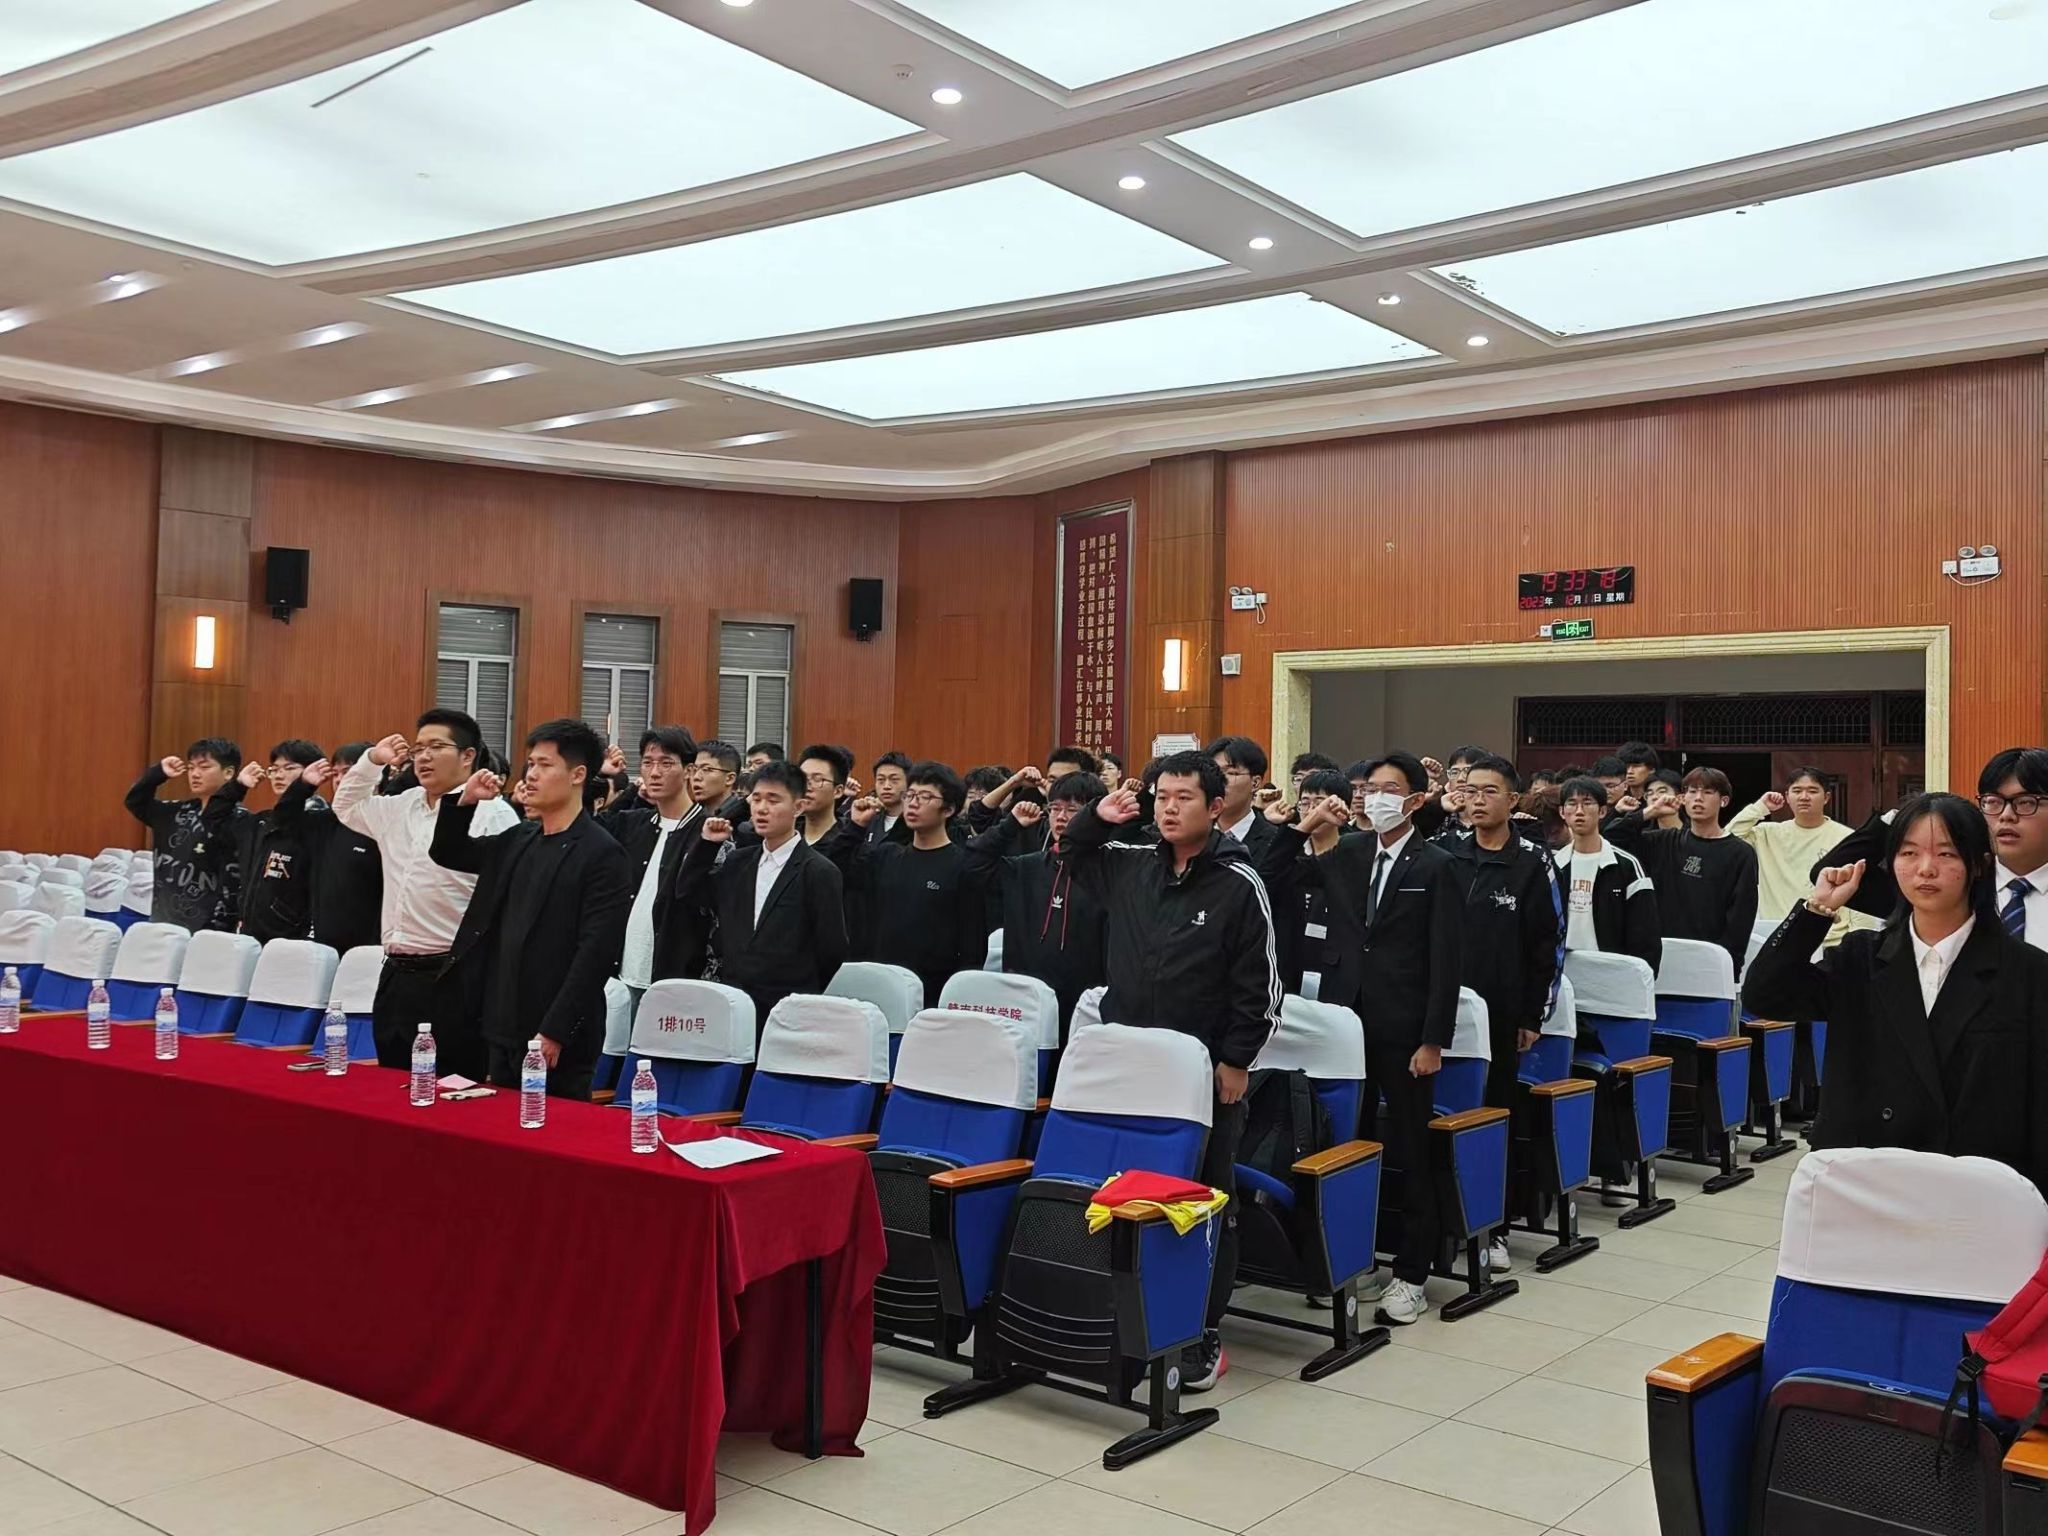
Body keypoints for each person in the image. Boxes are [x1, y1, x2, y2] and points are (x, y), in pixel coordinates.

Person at [1059, 752, 1281, 1391]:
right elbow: (1073, 855)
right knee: (1127, 1187)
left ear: (1215, 807)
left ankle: (1200, 1327)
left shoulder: (1239, 882)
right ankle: (1119, 1312)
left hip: (1204, 1073)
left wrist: (1236, 1060)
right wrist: (1098, 815)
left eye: (1184, 797)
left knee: (1202, 1198)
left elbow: (1262, 986)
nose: (1169, 808)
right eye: (1161, 797)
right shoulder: (1132, 864)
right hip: (1131, 1066)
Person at [1744, 793, 2048, 1194]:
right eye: (1908, 853)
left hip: (1975, 1188)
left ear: (1979, 865)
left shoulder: (2027, 972)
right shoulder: (1859, 958)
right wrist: (1817, 908)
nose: (1925, 869)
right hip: (1867, 1181)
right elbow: (1764, 994)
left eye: (1946, 854)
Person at [1265, 753, 1462, 1325]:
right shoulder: (1349, 851)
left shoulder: (1438, 865)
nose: (1374, 797)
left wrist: (1434, 1040)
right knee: (1347, 1143)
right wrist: (1304, 826)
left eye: (1389, 789)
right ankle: (1356, 1258)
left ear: (1416, 800)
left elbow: (1447, 960)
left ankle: (1413, 1273)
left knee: (1410, 1147)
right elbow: (1273, 876)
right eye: (1370, 787)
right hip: (1343, 1026)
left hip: (1405, 1030)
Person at [430, 720, 631, 1101]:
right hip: (499, 1020)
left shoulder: (602, 853)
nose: (532, 775)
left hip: (556, 1034)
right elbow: (449, 852)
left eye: (545, 765)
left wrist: (556, 1030)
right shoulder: (519, 839)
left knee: (550, 1129)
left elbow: (596, 953)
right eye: (531, 764)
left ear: (577, 775)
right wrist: (465, 801)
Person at [332, 709, 518, 1077]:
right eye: (418, 749)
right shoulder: (401, 806)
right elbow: (345, 805)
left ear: (468, 756)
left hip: (454, 977)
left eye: (436, 747)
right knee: (391, 1083)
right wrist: (373, 760)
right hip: (396, 974)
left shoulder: (494, 814)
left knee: (451, 1087)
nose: (424, 757)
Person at [1440, 754, 1563, 1275]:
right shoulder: (1445, 852)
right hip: (1440, 1011)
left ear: (1513, 801)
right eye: (1470, 791)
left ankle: (1496, 1227)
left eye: (1489, 792)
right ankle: (1443, 1222)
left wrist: (1533, 1016)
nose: (1477, 800)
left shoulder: (1533, 862)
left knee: (1495, 1119)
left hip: (1502, 1016)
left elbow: (1549, 945)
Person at [1817, 750, 2048, 957]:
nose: (2006, 815)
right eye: (1993, 802)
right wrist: (1901, 818)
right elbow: (1834, 871)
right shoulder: (1946, 889)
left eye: (2026, 803)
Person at [672, 760, 848, 1029]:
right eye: (756, 799)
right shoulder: (738, 862)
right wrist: (706, 846)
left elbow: (832, 949)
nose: (762, 808)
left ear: (798, 807)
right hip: (734, 1001)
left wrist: (801, 989)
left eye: (774, 800)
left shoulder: (819, 871)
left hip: (789, 1007)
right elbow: (688, 892)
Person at [963, 771, 1110, 1033]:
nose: (1061, 817)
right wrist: (1010, 825)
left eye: (1072, 810)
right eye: (1054, 808)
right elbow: (973, 864)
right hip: (1026, 1002)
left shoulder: (1114, 870)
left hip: (1086, 1006)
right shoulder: (1026, 867)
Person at [836, 761, 987, 1004]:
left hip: (933, 992)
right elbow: (836, 870)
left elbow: (973, 946)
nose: (913, 803)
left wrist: (957, 998)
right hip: (879, 985)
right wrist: (856, 826)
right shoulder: (886, 855)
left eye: (925, 797)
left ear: (948, 809)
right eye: (910, 795)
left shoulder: (963, 867)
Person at [1609, 766, 1759, 976]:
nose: (1698, 798)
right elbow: (1610, 839)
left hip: (1711, 962)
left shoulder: (1741, 853)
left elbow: (1741, 918)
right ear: (1682, 798)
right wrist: (1648, 812)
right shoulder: (1663, 841)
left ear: (1723, 801)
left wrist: (1728, 966)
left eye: (1708, 792)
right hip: (1661, 958)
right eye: (1692, 791)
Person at [595, 726, 708, 998]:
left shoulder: (707, 833)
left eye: (666, 763)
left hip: (675, 981)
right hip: (620, 975)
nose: (655, 772)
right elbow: (586, 831)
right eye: (647, 763)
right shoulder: (633, 824)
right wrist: (603, 774)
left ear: (689, 771)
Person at [124, 738, 251, 933]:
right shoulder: (178, 812)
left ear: (228, 773)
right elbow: (135, 801)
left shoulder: (240, 820)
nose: (195, 774)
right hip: (162, 922)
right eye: (191, 768)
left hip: (208, 930)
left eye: (204, 767)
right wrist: (158, 773)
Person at [1728, 768, 1862, 935]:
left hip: (1831, 937)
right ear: (1787, 797)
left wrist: (1857, 935)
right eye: (1797, 791)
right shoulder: (1767, 834)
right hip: (1776, 934)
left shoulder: (1847, 837)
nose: (1804, 797)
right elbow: (1728, 840)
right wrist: (1760, 807)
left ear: (1826, 797)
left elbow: (1859, 891)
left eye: (1812, 791)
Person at [281, 742, 385, 955]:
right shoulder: (325, 822)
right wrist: (304, 785)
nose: (338, 779)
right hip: (320, 943)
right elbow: (283, 820)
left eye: (347, 772)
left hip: (368, 948)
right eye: (335, 773)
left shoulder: (385, 821)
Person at [1556, 776, 1662, 973]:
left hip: (1611, 970)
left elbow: (1645, 932)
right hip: (1564, 970)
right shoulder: (1555, 865)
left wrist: (1639, 976)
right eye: (1572, 804)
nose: (1579, 811)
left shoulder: (1626, 866)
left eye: (1587, 803)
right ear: (1562, 812)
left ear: (1603, 811)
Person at [236, 738, 325, 943]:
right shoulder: (263, 821)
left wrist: (303, 787)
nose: (278, 775)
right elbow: (215, 817)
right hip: (252, 932)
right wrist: (238, 786)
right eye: (274, 770)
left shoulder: (318, 820)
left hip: (293, 936)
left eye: (289, 768)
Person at [1208, 735, 1276, 861]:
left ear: (1255, 783)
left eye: (1231, 773)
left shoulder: (1274, 842)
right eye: (1214, 772)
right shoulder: (1194, 837)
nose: (1219, 780)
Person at [796, 744, 854, 846]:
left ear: (838, 791)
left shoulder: (848, 841)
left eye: (817, 779)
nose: (807, 787)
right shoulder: (785, 836)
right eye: (802, 778)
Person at [866, 751, 914, 847]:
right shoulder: (867, 819)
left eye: (894, 780)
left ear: (908, 783)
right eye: (881, 780)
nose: (886, 786)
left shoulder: (916, 823)